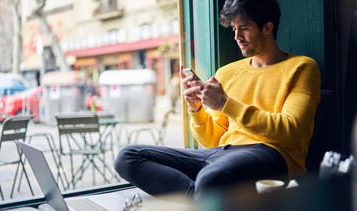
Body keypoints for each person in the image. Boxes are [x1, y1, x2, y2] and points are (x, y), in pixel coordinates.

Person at [114, 0, 321, 200]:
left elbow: (289, 131)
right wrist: (196, 110)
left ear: (267, 27)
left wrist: (225, 104)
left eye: (244, 28)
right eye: (233, 29)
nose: (237, 36)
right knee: (128, 157)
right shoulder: (228, 72)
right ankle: (205, 199)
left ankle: (206, 198)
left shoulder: (301, 68)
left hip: (272, 154)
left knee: (210, 178)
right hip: (221, 153)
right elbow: (213, 140)